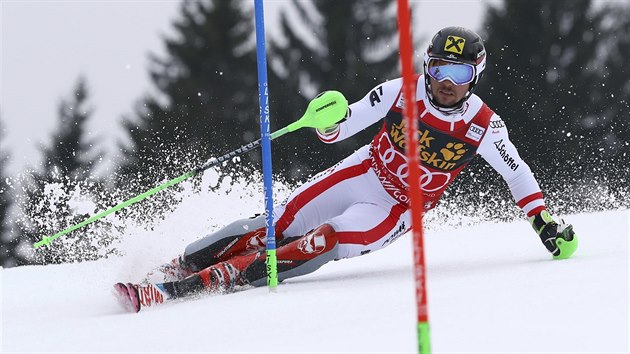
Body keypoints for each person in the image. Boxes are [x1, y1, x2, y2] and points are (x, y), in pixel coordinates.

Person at [114, 26, 578, 313]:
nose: (445, 84)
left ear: (475, 76)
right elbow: (348, 122)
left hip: (397, 209)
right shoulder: (402, 91)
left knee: (325, 240)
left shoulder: (484, 126)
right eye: (438, 70)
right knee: (278, 222)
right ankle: (179, 264)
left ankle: (206, 283)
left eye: (458, 75)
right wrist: (327, 124)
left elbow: (516, 174)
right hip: (365, 170)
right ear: (426, 67)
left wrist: (543, 224)